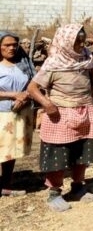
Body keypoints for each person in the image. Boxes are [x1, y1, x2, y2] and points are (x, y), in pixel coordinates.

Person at [27, 24, 93, 212]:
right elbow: (32, 89)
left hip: (84, 111)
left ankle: (78, 187)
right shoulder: (54, 64)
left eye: (82, 41)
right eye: (77, 42)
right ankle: (54, 193)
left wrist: (90, 95)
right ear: (66, 42)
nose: (81, 45)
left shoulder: (86, 59)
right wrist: (47, 104)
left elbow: (92, 78)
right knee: (58, 154)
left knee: (82, 151)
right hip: (59, 114)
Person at [0, 31, 35, 198]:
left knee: (10, 150)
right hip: (2, 113)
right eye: (7, 45)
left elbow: (33, 84)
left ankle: (5, 185)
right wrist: (14, 95)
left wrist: (25, 96)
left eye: (14, 45)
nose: (11, 48)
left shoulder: (22, 63)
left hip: (20, 113)